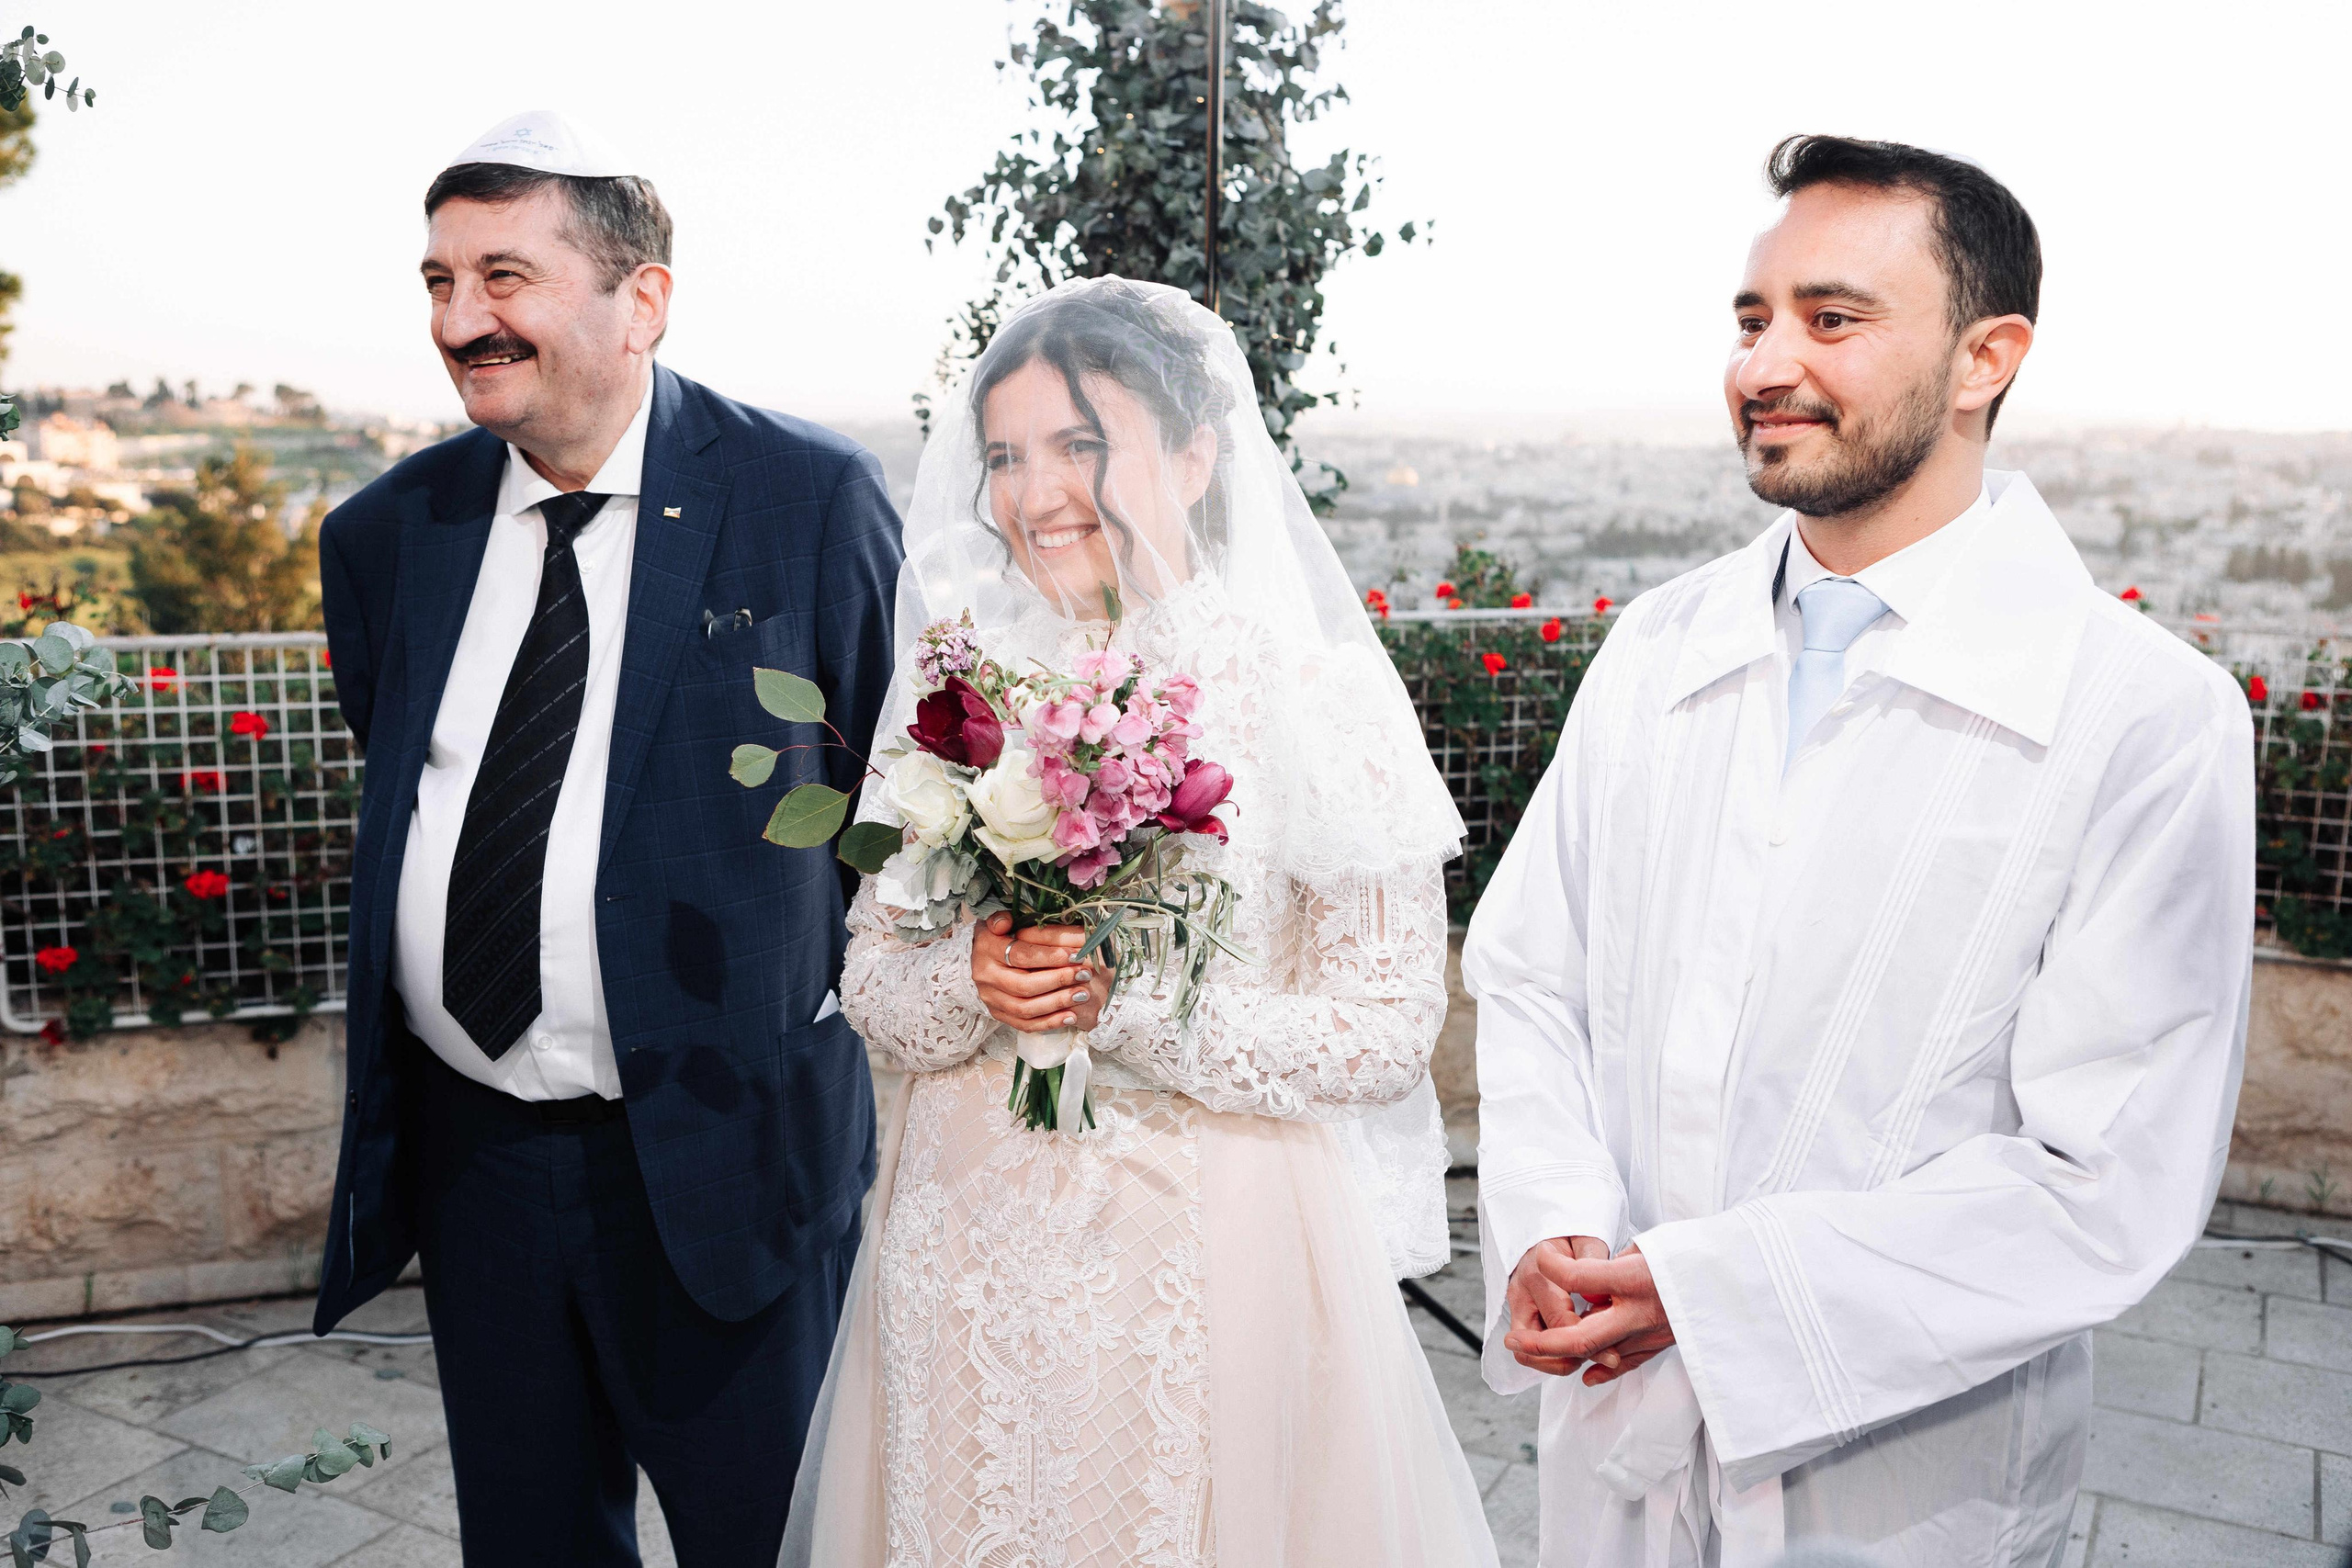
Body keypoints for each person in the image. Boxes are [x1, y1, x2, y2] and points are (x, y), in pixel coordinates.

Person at [1467, 135, 2254, 1566]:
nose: (1767, 363)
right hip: (1616, 1439)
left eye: (1831, 320)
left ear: (1984, 360)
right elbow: (1533, 979)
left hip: (1910, 1489)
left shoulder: (2149, 717)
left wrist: (1712, 1292)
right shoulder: (1655, 649)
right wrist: (1549, 1226)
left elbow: (2103, 1177)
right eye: (1751, 318)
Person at [779, 276, 1499, 1567]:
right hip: (966, 1266)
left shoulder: (1314, 695)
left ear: (1195, 453)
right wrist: (978, 977)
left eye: (1079, 444)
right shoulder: (959, 695)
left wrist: (1142, 1007)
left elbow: (1387, 1032)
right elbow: (877, 985)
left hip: (1203, 1266)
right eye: (1004, 454)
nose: (1033, 491)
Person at [311, 110, 903, 1566]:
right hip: (478, 1164)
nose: (463, 320)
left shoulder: (807, 501)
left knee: (770, 1538)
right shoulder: (387, 536)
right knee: (529, 1542)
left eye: (504, 276)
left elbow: (893, 812)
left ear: (641, 296)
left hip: (725, 1159)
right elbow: (410, 776)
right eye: (440, 283)